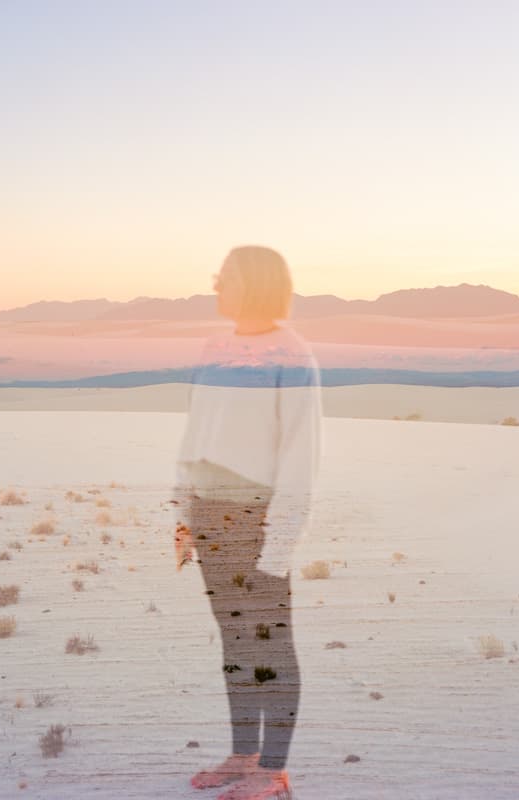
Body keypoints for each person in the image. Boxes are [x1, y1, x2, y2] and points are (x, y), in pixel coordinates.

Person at [172, 245, 322, 800]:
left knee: (270, 641)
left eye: (226, 277)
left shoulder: (292, 353)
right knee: (234, 637)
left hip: (259, 516)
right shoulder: (214, 348)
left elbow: (299, 455)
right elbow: (194, 436)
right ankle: (243, 754)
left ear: (255, 283)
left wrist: (280, 541)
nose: (216, 284)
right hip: (209, 512)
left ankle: (274, 769)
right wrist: (182, 517)